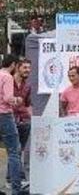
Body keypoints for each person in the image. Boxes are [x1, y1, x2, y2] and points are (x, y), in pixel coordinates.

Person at [0, 56, 24, 195]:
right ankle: (16, 189)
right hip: (4, 115)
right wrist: (18, 100)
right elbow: (8, 98)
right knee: (14, 151)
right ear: (13, 65)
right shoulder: (7, 77)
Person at [11, 58, 31, 189]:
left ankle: (14, 178)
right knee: (14, 150)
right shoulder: (7, 81)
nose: (27, 70)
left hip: (24, 120)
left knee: (19, 151)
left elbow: (28, 103)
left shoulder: (28, 85)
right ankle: (17, 178)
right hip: (9, 119)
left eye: (29, 68)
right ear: (18, 67)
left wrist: (30, 116)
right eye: (25, 67)